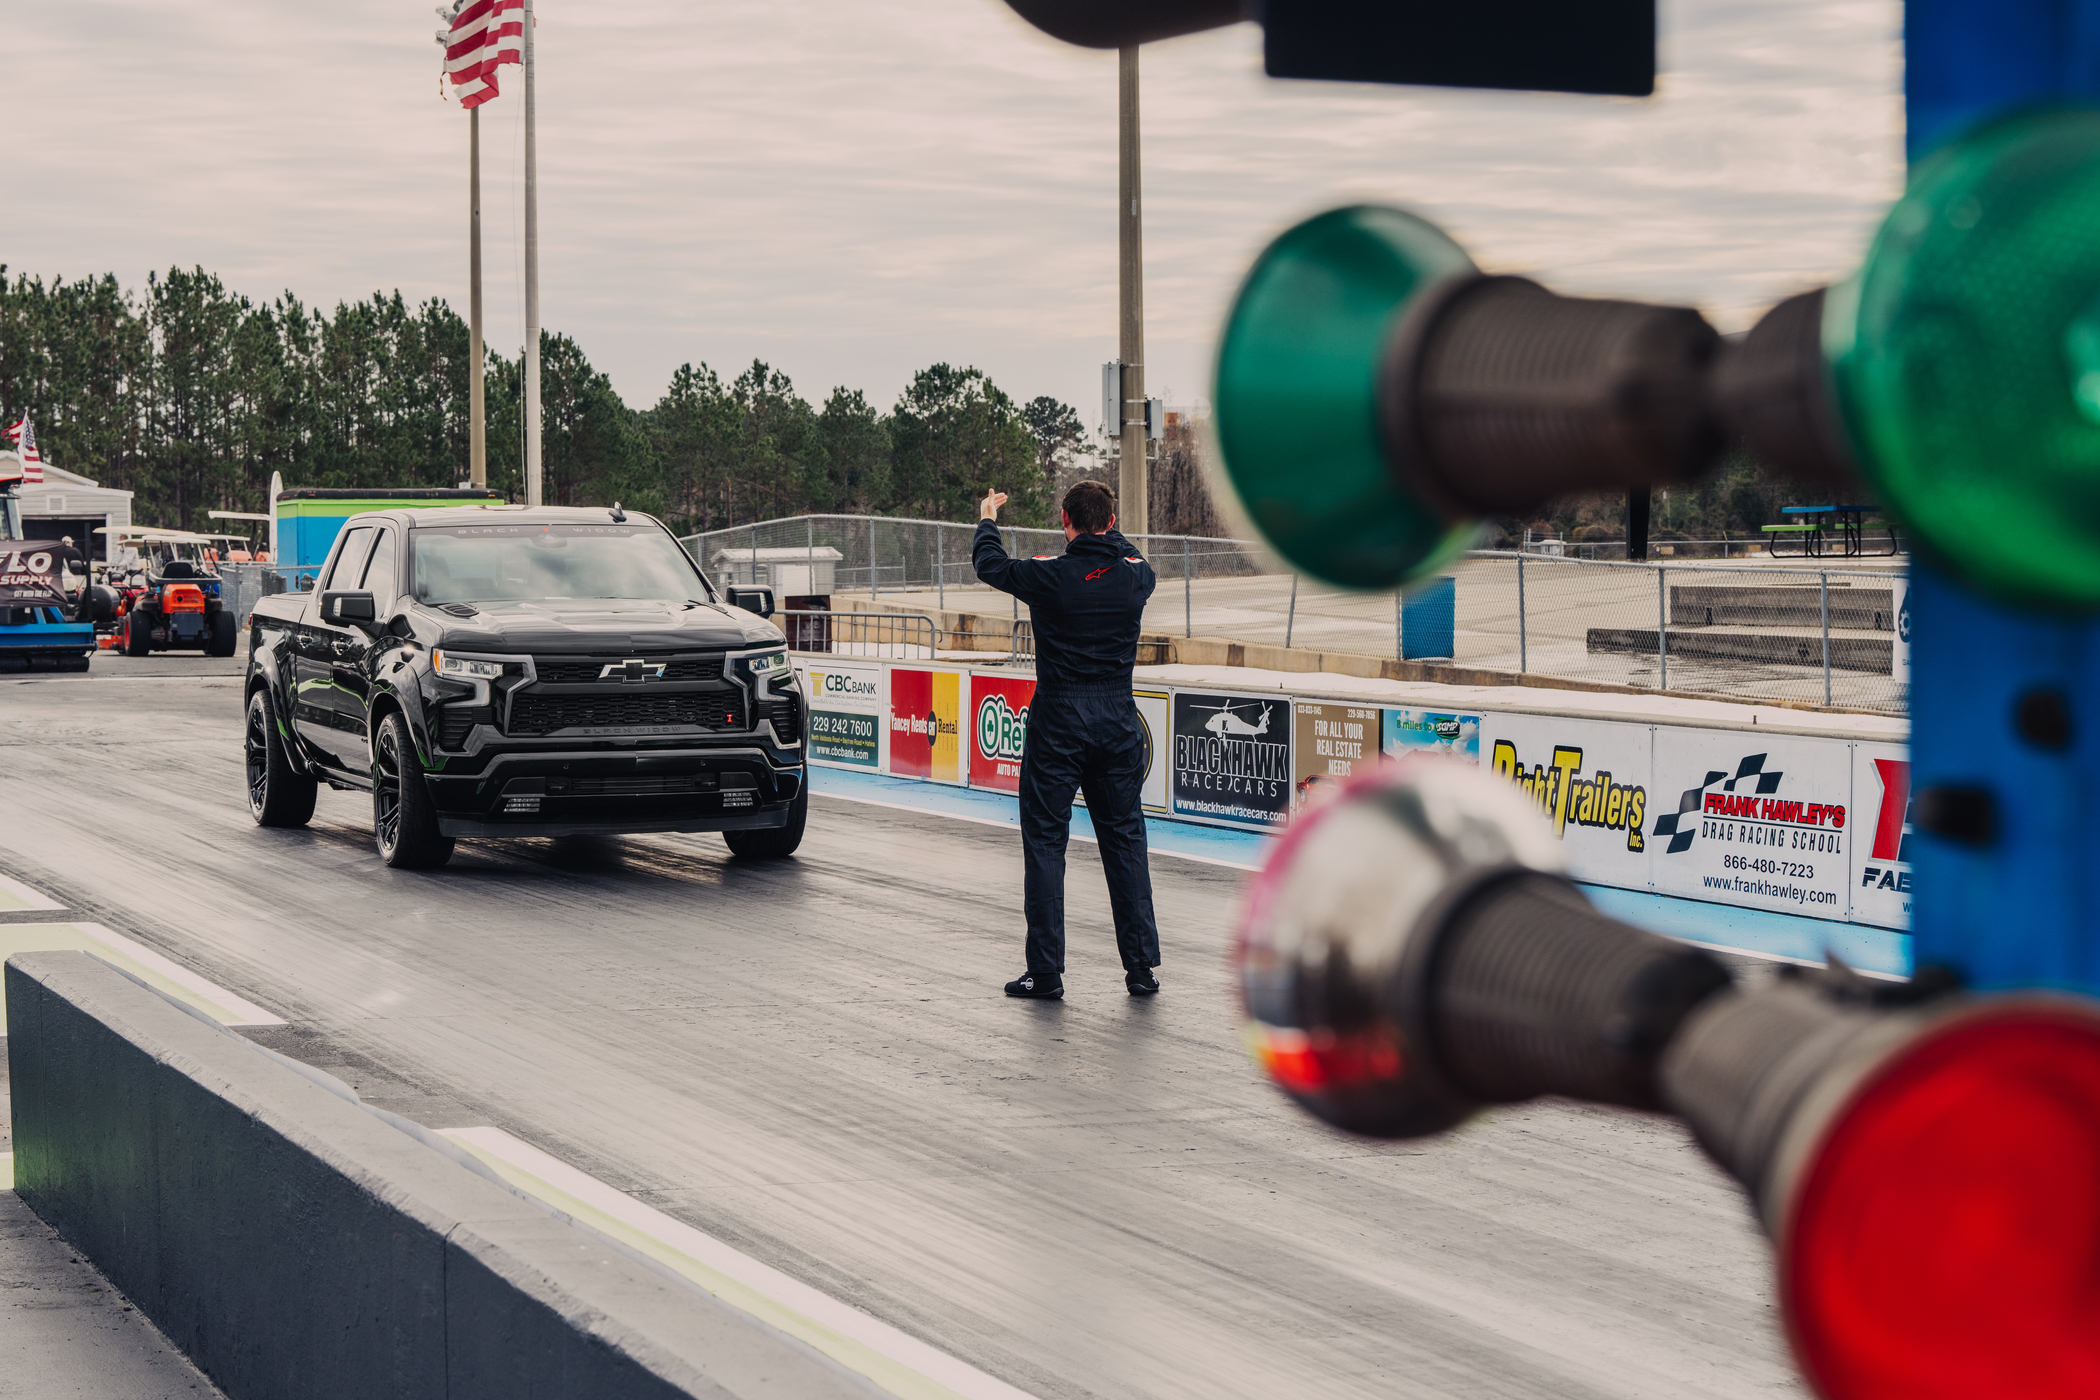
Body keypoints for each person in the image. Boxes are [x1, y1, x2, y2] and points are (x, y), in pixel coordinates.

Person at [973, 481, 1161, 999]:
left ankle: (1047, 971)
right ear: (1112, 521)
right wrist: (1109, 536)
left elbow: (989, 565)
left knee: (1045, 842)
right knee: (1124, 840)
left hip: (1059, 718)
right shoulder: (1134, 577)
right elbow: (1133, 556)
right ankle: (1141, 968)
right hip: (1117, 719)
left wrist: (988, 518)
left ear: (1064, 519)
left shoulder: (1049, 574)